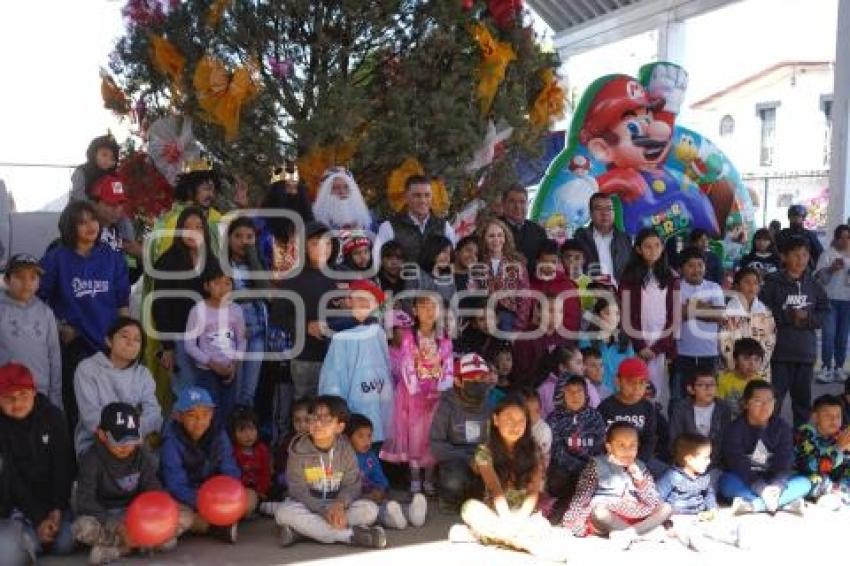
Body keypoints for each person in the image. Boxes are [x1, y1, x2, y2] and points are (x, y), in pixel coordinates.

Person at [39, 200, 130, 425]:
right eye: (81, 222)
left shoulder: (112, 257)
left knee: (111, 407)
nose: (90, 226)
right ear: (70, 227)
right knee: (78, 409)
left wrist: (125, 340)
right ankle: (75, 457)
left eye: (92, 220)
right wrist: (59, 326)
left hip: (109, 344)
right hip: (76, 345)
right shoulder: (56, 258)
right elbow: (35, 300)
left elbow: (122, 303)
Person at [450, 395, 569, 562]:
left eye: (521, 420)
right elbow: (495, 489)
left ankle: (481, 535)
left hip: (524, 514)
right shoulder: (484, 451)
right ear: (496, 420)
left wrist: (519, 519)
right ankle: (528, 545)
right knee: (469, 508)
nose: (516, 426)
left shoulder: (533, 450)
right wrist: (507, 520)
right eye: (509, 419)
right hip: (497, 512)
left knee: (540, 526)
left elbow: (533, 492)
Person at [274, 395, 387, 548]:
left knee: (370, 510)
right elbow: (298, 491)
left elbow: (352, 485)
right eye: (313, 417)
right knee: (283, 513)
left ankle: (302, 533)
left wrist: (340, 504)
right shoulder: (298, 450)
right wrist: (324, 510)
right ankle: (349, 536)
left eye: (325, 419)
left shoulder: (346, 450)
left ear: (339, 427)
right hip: (309, 507)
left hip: (338, 508)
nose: (317, 423)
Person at [72, 403, 176, 564]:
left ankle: (119, 549)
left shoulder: (140, 455)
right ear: (102, 435)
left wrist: (157, 516)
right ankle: (132, 545)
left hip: (134, 514)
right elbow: (85, 501)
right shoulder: (91, 459)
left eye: (131, 440)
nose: (125, 447)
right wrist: (117, 526)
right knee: (81, 528)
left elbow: (153, 490)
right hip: (104, 516)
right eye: (119, 441)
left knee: (170, 537)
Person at [0, 363, 75, 558]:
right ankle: (26, 540)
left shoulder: (52, 416)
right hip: (14, 507)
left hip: (50, 502)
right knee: (7, 555)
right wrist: (38, 517)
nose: (17, 404)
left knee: (64, 543)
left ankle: (32, 542)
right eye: (9, 398)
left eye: (23, 395)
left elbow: (63, 466)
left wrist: (57, 509)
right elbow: (11, 478)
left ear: (34, 392)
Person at [381, 294, 453, 495]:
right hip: (412, 396)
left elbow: (447, 366)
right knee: (414, 435)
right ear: (415, 311)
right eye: (423, 307)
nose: (429, 311)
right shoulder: (409, 338)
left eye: (433, 307)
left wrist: (440, 388)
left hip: (435, 395)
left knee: (432, 435)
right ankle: (414, 479)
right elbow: (406, 364)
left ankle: (429, 479)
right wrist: (416, 389)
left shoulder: (444, 339)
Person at [560, 422, 672, 549]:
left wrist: (640, 482)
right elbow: (582, 495)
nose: (627, 449)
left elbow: (653, 500)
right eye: (621, 445)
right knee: (599, 513)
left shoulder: (640, 467)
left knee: (666, 508)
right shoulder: (596, 464)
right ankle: (642, 534)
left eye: (632, 445)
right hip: (609, 515)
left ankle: (628, 534)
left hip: (636, 514)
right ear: (609, 447)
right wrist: (571, 520)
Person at [160, 386, 245, 543]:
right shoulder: (172, 441)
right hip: (187, 498)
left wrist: (227, 496)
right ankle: (216, 526)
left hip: (216, 494)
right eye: (192, 415)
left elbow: (230, 469)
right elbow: (176, 485)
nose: (200, 421)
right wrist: (203, 502)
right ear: (178, 416)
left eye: (205, 414)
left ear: (212, 414)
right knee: (180, 516)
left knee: (249, 499)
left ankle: (218, 521)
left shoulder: (219, 433)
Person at [760, 235, 829, 427]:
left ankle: (801, 443)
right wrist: (787, 317)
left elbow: (825, 312)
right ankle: (770, 439)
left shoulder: (814, 284)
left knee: (802, 403)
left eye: (805, 255)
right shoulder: (772, 282)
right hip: (779, 352)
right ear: (784, 257)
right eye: (796, 255)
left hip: (805, 354)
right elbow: (762, 313)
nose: (801, 260)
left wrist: (808, 319)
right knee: (773, 400)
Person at [271, 221, 342, 401]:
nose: (322, 248)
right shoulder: (292, 280)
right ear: (304, 247)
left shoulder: (342, 276)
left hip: (339, 356)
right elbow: (278, 318)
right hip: (306, 358)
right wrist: (305, 326)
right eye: (314, 243)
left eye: (327, 242)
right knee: (306, 407)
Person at [150, 206, 215, 402]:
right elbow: (160, 306)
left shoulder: (213, 262)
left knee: (208, 396)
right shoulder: (167, 262)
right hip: (179, 339)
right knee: (186, 396)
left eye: (197, 227)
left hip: (209, 339)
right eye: (186, 227)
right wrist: (167, 346)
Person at [73, 317, 162, 458]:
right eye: (124, 336)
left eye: (137, 339)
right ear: (109, 341)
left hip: (134, 440)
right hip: (96, 441)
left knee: (152, 468)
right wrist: (116, 437)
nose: (130, 342)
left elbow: (154, 413)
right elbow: (90, 416)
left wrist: (132, 435)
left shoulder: (143, 374)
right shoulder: (87, 368)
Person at [719, 380, 810, 516]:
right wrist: (761, 489)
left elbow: (785, 460)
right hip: (747, 480)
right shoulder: (735, 428)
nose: (765, 406)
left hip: (773, 481)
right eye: (758, 401)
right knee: (726, 483)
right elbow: (737, 463)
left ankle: (755, 505)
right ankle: (783, 503)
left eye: (770, 401)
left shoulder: (781, 426)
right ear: (745, 403)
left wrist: (777, 486)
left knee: (804, 483)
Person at [318, 280, 393, 444]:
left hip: (377, 406)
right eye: (357, 299)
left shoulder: (379, 334)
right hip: (354, 416)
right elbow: (333, 380)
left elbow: (386, 369)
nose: (361, 304)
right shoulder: (341, 337)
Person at [617, 228, 679, 412]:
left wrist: (657, 348)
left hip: (660, 346)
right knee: (633, 387)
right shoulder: (629, 278)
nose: (653, 251)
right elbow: (626, 314)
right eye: (647, 247)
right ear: (638, 249)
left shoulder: (671, 277)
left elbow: (673, 317)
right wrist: (640, 346)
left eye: (657, 246)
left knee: (657, 392)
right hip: (636, 344)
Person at [184, 259, 247, 432]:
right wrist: (211, 363)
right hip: (207, 371)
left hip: (229, 370)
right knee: (208, 411)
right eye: (217, 283)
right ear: (206, 286)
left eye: (227, 283)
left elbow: (241, 339)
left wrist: (234, 364)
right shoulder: (198, 310)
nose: (223, 288)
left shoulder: (236, 310)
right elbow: (189, 345)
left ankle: (224, 447)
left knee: (228, 410)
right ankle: (208, 447)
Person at [429, 352, 492, 512]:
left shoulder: (489, 405)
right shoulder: (446, 406)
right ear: (458, 381)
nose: (479, 384)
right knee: (453, 480)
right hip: (455, 461)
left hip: (482, 461)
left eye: (483, 379)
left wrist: (484, 461)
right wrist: (468, 459)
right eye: (473, 380)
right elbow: (436, 444)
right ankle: (450, 501)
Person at [656, 434, 741, 551]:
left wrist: (712, 508)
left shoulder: (703, 476)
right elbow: (657, 499)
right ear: (689, 459)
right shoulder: (672, 476)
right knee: (685, 529)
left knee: (714, 525)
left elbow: (708, 493)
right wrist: (666, 524)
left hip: (698, 514)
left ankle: (731, 536)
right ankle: (694, 540)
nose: (709, 461)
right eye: (705, 458)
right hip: (678, 516)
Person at [0, 254, 61, 409]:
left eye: (33, 277)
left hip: (39, 391)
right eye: (20, 277)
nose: (26, 283)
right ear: (7, 280)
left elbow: (54, 355)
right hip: (7, 391)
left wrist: (55, 397)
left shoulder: (46, 312)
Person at [346, 414, 427, 530]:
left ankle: (412, 513)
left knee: (393, 500)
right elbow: (345, 489)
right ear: (347, 438)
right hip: (358, 499)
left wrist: (380, 490)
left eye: (369, 436)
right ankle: (394, 518)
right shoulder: (344, 458)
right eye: (360, 436)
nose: (367, 441)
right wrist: (366, 496)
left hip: (375, 494)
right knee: (377, 509)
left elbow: (380, 478)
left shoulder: (370, 457)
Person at [545, 375, 606, 518]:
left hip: (590, 467)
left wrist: (587, 466)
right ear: (561, 394)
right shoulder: (554, 419)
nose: (575, 396)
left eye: (579, 391)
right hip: (564, 469)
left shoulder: (595, 417)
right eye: (569, 391)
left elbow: (599, 446)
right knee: (557, 479)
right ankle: (563, 505)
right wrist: (578, 467)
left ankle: (576, 510)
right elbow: (556, 450)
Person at [226, 217, 271, 408]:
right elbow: (226, 296)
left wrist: (253, 255)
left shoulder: (258, 263)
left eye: (249, 237)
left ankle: (245, 432)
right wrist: (255, 294)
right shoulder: (223, 264)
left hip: (257, 332)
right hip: (232, 334)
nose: (244, 241)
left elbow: (267, 293)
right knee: (233, 389)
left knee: (248, 392)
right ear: (228, 239)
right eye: (238, 236)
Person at [673, 246, 725, 403]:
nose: (696, 269)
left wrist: (691, 307)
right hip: (682, 353)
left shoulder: (713, 287)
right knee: (680, 398)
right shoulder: (677, 288)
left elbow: (720, 315)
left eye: (700, 265)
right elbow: (676, 314)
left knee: (709, 397)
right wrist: (705, 308)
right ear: (681, 269)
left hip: (709, 353)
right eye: (690, 265)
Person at [597, 358, 662, 477]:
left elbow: (649, 440)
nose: (637, 387)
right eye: (631, 382)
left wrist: (638, 463)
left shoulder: (648, 408)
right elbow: (600, 441)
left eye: (642, 382)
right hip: (611, 460)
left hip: (639, 459)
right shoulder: (605, 407)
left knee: (665, 473)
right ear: (618, 381)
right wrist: (615, 462)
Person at [373, 174, 457, 262]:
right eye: (417, 195)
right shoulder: (388, 227)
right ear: (406, 196)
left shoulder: (444, 227)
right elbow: (378, 262)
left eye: (427, 195)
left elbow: (452, 262)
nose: (423, 201)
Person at [150, 166, 223, 262]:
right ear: (190, 191)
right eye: (206, 189)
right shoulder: (174, 220)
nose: (211, 195)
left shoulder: (218, 219)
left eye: (213, 190)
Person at [794, 394, 850, 509]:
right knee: (814, 479)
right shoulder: (806, 432)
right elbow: (813, 466)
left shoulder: (839, 435)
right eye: (828, 416)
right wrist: (839, 448)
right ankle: (837, 495)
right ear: (815, 417)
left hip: (834, 481)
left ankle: (838, 494)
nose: (834, 420)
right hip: (809, 477)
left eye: (838, 416)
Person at [719, 267, 776, 377]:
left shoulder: (765, 312)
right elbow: (724, 343)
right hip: (733, 369)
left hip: (758, 369)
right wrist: (735, 364)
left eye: (755, 283)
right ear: (737, 286)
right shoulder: (728, 312)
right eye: (747, 282)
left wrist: (757, 364)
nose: (752, 286)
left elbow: (770, 342)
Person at [668, 372, 731, 470]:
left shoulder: (723, 408)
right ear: (691, 389)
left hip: (715, 464)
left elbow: (723, 441)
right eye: (702, 385)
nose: (708, 389)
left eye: (712, 384)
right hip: (686, 463)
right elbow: (675, 439)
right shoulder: (680, 409)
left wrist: (709, 463)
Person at [88, 174, 143, 283]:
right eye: (110, 203)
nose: (117, 209)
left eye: (120, 203)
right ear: (94, 204)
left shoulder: (119, 233)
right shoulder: (85, 236)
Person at [814, 224, 850, 383]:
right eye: (841, 237)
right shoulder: (827, 254)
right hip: (830, 301)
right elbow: (820, 279)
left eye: (848, 237)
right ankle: (826, 367)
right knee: (829, 335)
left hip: (848, 302)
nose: (845, 240)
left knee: (842, 337)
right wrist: (831, 269)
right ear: (835, 238)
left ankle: (839, 367)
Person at [579, 296, 635, 398]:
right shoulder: (586, 339)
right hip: (594, 395)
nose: (613, 318)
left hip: (621, 396)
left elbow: (631, 370)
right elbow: (583, 371)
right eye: (607, 313)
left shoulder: (625, 342)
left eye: (617, 314)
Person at [572, 193, 633, 284]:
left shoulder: (625, 239)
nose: (605, 213)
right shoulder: (580, 237)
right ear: (591, 213)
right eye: (599, 209)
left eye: (609, 209)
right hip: (590, 293)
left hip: (620, 294)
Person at [511, 295, 571, 386]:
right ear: (538, 312)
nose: (556, 316)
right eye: (551, 311)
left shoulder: (562, 338)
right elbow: (521, 374)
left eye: (560, 311)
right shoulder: (526, 338)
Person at [528, 239, 582, 336]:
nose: (549, 266)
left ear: (558, 262)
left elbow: (574, 320)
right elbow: (526, 317)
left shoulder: (567, 286)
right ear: (537, 261)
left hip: (561, 342)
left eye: (553, 262)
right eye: (545, 261)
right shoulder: (529, 286)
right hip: (534, 340)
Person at [229, 406, 271, 505]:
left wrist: (261, 490)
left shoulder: (262, 450)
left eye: (252, 429)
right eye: (242, 431)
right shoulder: (232, 452)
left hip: (260, 491)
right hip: (238, 491)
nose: (248, 435)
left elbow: (265, 473)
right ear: (233, 434)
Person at [499, 186, 547, 272]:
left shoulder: (539, 231)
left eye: (522, 202)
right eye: (512, 201)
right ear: (503, 204)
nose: (517, 206)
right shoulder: (493, 228)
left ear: (527, 204)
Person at [717, 338, 766, 420]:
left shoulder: (761, 384)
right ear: (735, 360)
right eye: (746, 358)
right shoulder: (723, 380)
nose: (752, 364)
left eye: (756, 359)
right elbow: (718, 409)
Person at [312, 167, 373, 231]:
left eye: (346, 187)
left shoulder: (368, 217)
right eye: (336, 188)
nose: (342, 192)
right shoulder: (316, 220)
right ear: (326, 192)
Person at [404, 235, 456, 309]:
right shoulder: (415, 274)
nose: (447, 257)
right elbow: (407, 305)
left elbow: (453, 306)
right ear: (433, 251)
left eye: (449, 254)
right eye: (444, 252)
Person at [537, 344, 585, 420]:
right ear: (563, 367)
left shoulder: (586, 387)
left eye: (582, 362)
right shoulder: (543, 390)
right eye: (578, 363)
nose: (583, 367)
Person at [69, 134, 121, 203]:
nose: (107, 160)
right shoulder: (82, 171)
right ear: (93, 154)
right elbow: (78, 194)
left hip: (108, 211)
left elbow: (119, 196)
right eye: (104, 155)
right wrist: (95, 205)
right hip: (82, 210)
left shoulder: (114, 176)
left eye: (112, 158)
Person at [776, 204, 823, 272]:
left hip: (804, 270)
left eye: (798, 216)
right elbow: (776, 253)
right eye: (793, 216)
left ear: (803, 218)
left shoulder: (809, 235)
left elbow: (819, 253)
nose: (795, 219)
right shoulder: (781, 234)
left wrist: (812, 267)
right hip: (784, 270)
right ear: (789, 217)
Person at [559, 239, 595, 312]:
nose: (572, 261)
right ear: (561, 259)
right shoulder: (557, 281)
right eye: (567, 257)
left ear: (584, 260)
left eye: (577, 258)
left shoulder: (589, 284)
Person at [524, 389, 551, 471]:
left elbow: (538, 457)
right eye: (526, 412)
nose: (531, 415)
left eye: (536, 411)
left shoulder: (543, 430)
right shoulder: (517, 424)